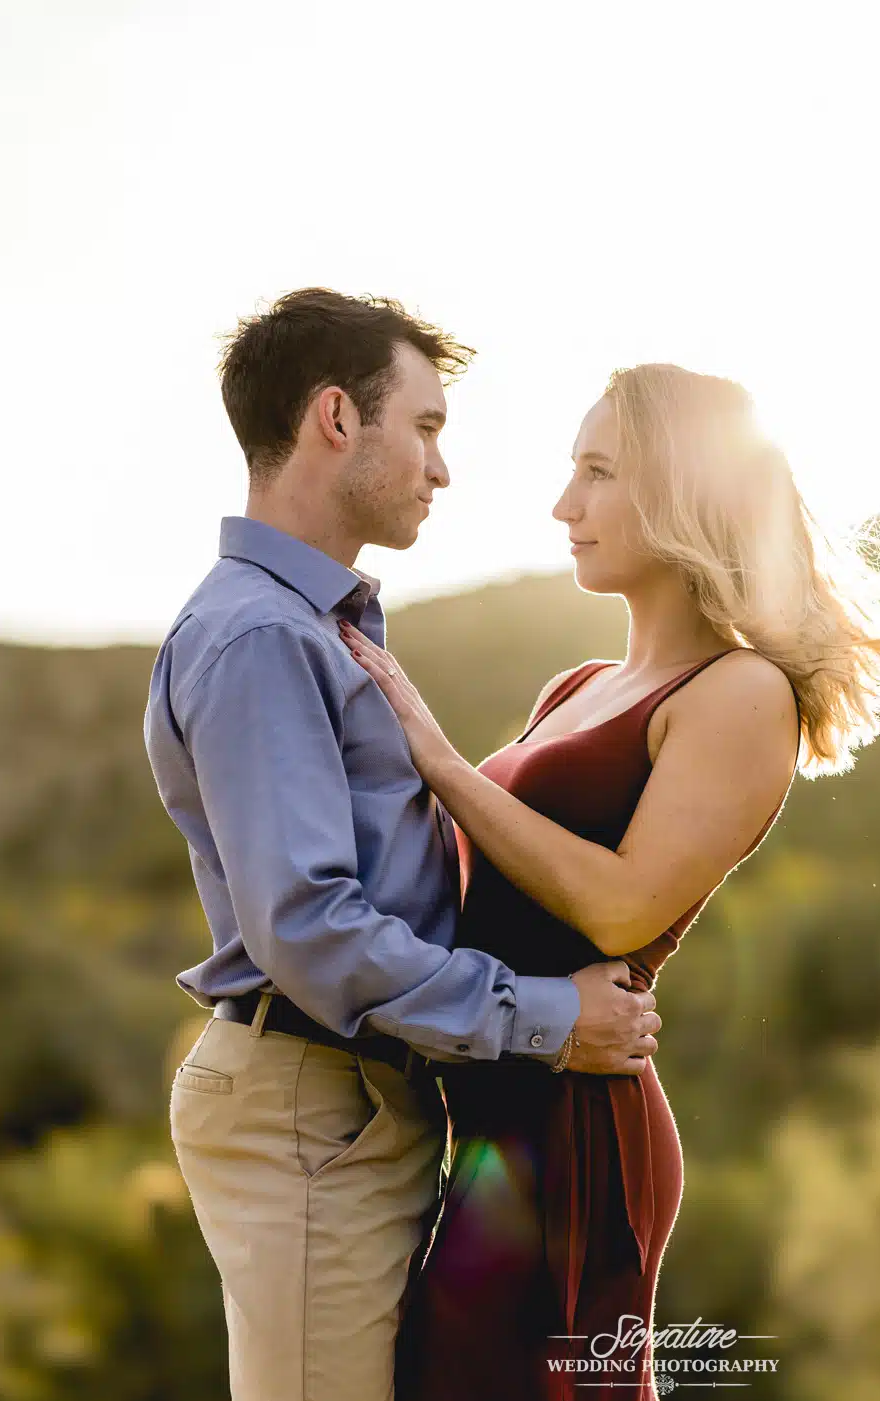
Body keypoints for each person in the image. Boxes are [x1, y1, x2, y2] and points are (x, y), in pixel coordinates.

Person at [342, 363, 880, 1401]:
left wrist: (441, 762)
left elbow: (619, 905)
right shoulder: (581, 687)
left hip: (576, 1137)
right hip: (493, 1121)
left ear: (686, 493)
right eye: (572, 471)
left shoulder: (739, 693)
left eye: (598, 472)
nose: (566, 504)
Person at [143, 288, 662, 1401]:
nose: (441, 468)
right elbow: (312, 931)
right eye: (424, 428)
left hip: (345, 1097)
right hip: (306, 1101)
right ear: (338, 419)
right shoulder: (261, 638)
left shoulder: (314, 628)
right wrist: (552, 1019)